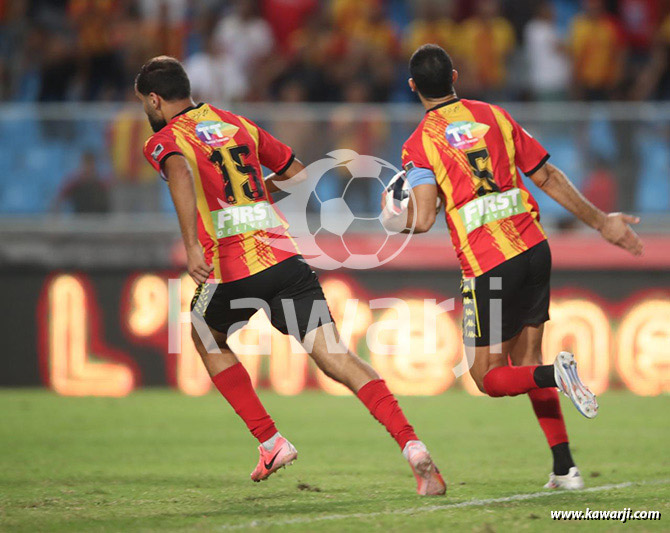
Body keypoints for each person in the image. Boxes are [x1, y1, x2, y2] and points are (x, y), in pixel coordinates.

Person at [135, 56, 445, 495]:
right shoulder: (236, 124)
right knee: (338, 357)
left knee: (206, 333)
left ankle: (270, 440)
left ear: (153, 99)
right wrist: (259, 194)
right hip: (283, 257)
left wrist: (190, 245)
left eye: (145, 106)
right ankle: (412, 445)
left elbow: (181, 174)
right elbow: (298, 174)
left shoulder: (165, 139)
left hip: (230, 265)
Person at [382, 44, 643, 490]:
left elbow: (423, 218)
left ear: (412, 89)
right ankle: (565, 468)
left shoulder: (419, 144)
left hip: (489, 265)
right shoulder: (495, 116)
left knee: (488, 377)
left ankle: (556, 376)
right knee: (527, 359)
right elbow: (546, 175)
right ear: (456, 77)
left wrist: (392, 218)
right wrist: (601, 222)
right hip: (535, 247)